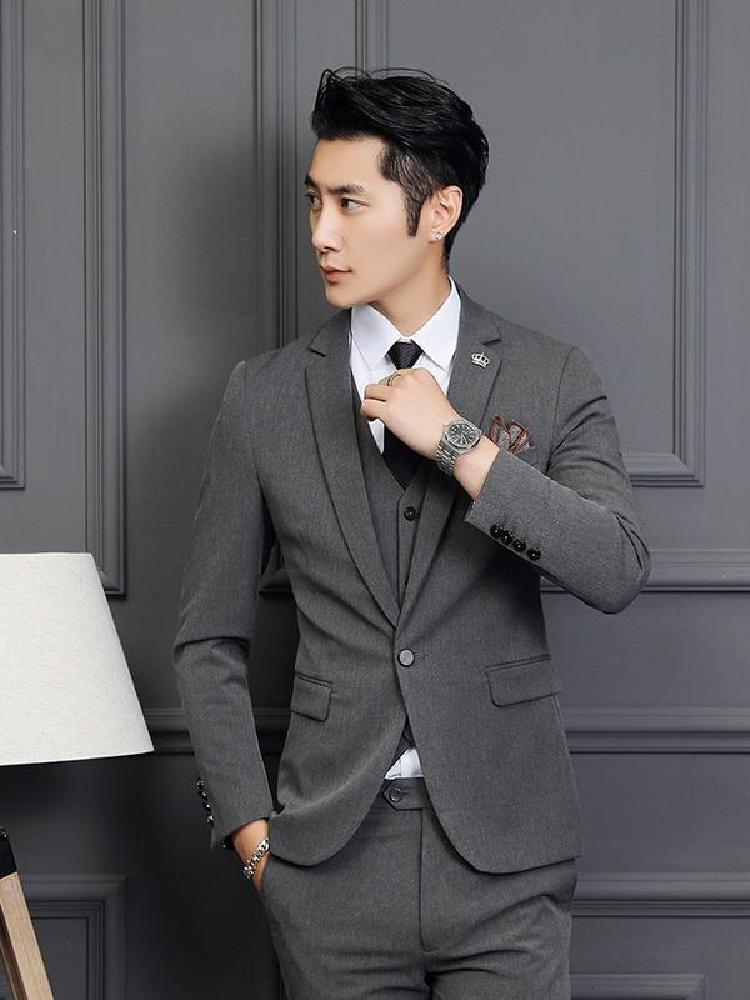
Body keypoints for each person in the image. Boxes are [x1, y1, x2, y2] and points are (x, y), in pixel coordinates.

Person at [173, 65, 650, 999]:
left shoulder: (553, 377)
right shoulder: (264, 396)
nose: (321, 231)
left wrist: (462, 445)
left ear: (439, 211)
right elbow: (206, 638)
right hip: (327, 866)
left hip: (508, 865)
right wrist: (254, 838)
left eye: (351, 202)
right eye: (314, 200)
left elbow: (616, 567)